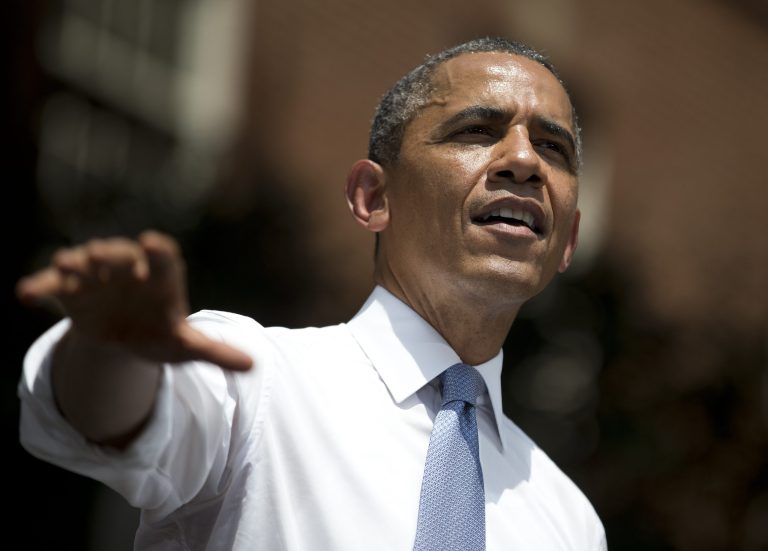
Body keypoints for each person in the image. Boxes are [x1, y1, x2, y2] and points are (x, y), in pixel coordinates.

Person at [17, 37, 607, 550]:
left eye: (553, 147)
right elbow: (101, 418)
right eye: (477, 131)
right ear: (373, 197)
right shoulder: (252, 376)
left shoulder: (571, 522)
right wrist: (108, 352)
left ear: (569, 241)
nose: (524, 160)